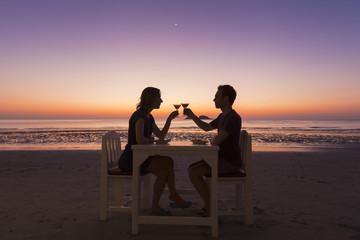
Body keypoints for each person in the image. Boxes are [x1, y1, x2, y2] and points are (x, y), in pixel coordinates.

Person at [118, 87, 191, 216]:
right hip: (131, 159)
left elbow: (161, 136)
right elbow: (140, 140)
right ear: (151, 99)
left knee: (163, 172)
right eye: (159, 98)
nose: (161, 101)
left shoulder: (149, 117)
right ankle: (174, 195)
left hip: (140, 157)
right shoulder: (139, 116)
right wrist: (151, 139)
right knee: (168, 161)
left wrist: (169, 120)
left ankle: (156, 207)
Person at [183, 85, 242, 217]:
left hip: (229, 162)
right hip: (221, 159)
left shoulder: (233, 117)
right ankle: (209, 204)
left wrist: (213, 139)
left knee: (194, 173)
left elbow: (216, 141)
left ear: (225, 99)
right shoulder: (223, 116)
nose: (213, 99)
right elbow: (206, 127)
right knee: (191, 169)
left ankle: (210, 207)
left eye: (216, 96)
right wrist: (192, 115)